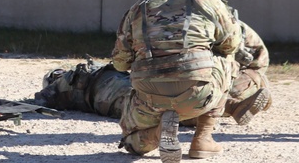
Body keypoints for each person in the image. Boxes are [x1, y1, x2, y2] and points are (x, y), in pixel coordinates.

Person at [111, 0, 242, 163]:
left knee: (132, 144)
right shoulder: (210, 1)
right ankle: (203, 138)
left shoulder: (139, 6)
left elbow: (120, 62)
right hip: (198, 95)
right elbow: (231, 44)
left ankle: (157, 132)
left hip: (148, 100)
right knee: (228, 59)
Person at [34, 19, 271, 127]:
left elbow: (43, 100)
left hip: (117, 94)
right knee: (169, 104)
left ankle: (234, 104)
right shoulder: (69, 83)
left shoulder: (70, 84)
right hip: (118, 92)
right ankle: (233, 104)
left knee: (162, 108)